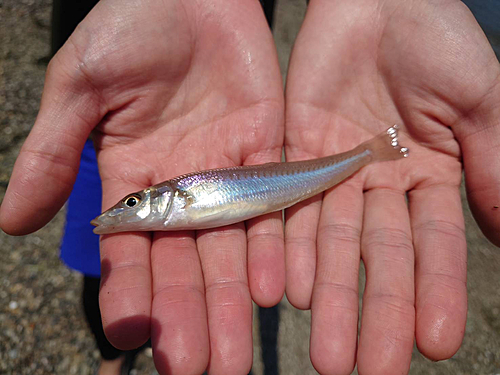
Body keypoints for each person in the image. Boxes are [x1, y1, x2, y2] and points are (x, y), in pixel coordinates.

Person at [1, 1, 499, 375]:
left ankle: (369, 151)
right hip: (124, 112)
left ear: (167, 198)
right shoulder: (160, 184)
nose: (131, 208)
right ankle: (116, 354)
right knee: (110, 274)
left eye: (135, 203)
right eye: (133, 204)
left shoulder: (182, 198)